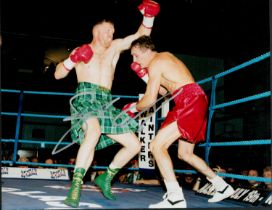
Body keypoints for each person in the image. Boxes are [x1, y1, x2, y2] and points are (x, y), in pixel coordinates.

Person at [54, 1, 160, 208]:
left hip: (105, 101)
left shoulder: (115, 47)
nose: (110, 35)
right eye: (107, 31)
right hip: (85, 100)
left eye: (112, 31)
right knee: (92, 131)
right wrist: (72, 59)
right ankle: (76, 186)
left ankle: (106, 178)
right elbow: (58, 74)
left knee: (134, 145)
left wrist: (149, 17)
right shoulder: (81, 50)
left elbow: (139, 37)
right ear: (95, 31)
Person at [123, 35, 235, 208]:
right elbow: (162, 92)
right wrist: (143, 75)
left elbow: (150, 99)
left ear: (147, 52)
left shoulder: (156, 62)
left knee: (156, 146)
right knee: (185, 154)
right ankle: (222, 186)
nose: (134, 59)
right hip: (191, 99)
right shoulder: (161, 60)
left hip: (189, 100)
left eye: (136, 55)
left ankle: (175, 197)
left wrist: (133, 108)